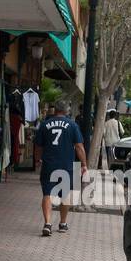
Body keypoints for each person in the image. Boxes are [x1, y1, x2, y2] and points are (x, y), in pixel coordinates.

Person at [34, 100, 88, 236]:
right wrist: (84, 164)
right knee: (66, 195)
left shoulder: (45, 125)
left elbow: (38, 146)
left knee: (47, 194)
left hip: (49, 164)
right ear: (67, 110)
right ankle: (63, 223)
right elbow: (79, 147)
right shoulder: (72, 125)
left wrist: (38, 159)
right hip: (67, 165)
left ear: (55, 110)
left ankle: (47, 223)